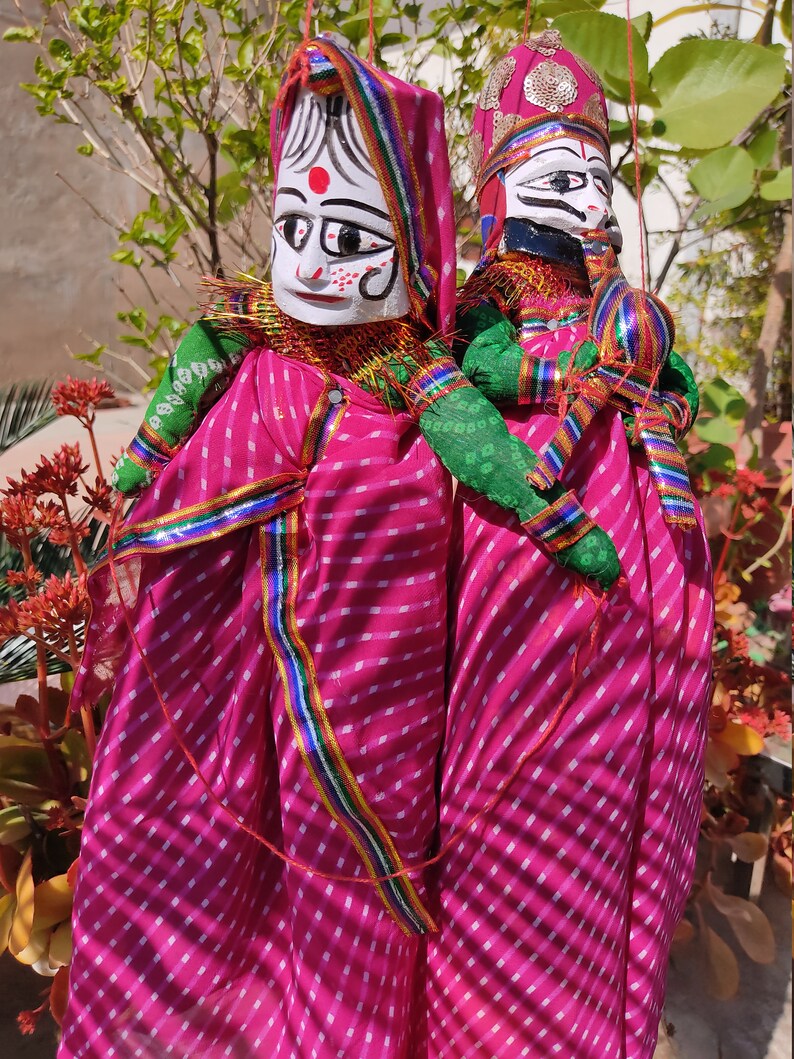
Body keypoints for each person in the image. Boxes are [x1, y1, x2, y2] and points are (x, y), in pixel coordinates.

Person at [60, 36, 617, 1059]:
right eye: (293, 226)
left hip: (363, 660)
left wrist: (560, 529)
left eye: (351, 236)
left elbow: (480, 448)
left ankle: (334, 1025)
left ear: (412, 241)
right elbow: (185, 382)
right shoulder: (256, 322)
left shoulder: (408, 368)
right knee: (182, 809)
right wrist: (138, 467)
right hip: (208, 631)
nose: (313, 260)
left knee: (346, 857)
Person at [425, 32, 714, 1059]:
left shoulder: (612, 296)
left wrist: (657, 384)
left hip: (643, 532)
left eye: (595, 172)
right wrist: (581, 373)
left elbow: (671, 383)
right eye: (557, 172)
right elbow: (485, 368)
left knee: (625, 746)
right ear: (501, 185)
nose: (586, 192)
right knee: (511, 745)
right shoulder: (496, 290)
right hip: (534, 542)